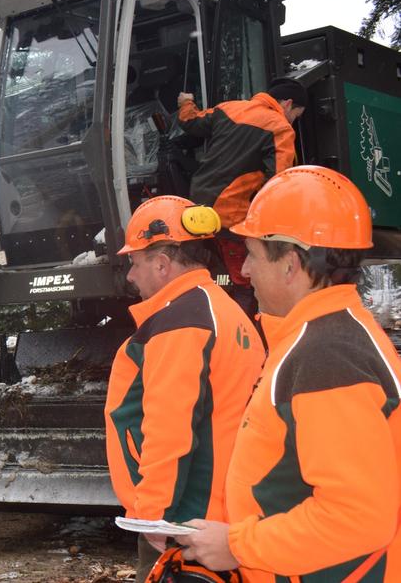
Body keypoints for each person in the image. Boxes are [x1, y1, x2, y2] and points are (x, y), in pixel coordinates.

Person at [180, 166, 401, 581]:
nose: (245, 269)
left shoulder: (328, 355)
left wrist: (237, 546)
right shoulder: (327, 337)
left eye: (253, 254)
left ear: (291, 264)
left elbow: (357, 517)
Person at [106, 196, 265, 580]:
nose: (131, 276)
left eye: (135, 263)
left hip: (186, 522)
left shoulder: (181, 323)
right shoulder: (224, 310)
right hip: (218, 514)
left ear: (162, 264)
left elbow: (169, 429)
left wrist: (153, 517)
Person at [176, 79, 308, 288]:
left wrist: (186, 102)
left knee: (204, 276)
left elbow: (190, 122)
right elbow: (278, 182)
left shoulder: (228, 108)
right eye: (296, 116)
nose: (292, 121)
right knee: (243, 281)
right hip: (230, 217)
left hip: (197, 206)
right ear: (288, 104)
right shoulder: (280, 128)